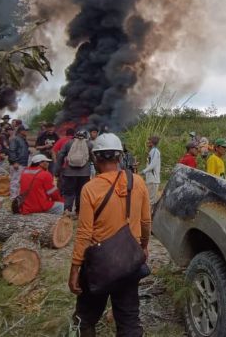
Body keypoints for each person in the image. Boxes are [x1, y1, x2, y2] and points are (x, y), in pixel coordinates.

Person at [70, 133, 151, 337]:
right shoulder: (138, 182)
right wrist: (143, 246)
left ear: (95, 158)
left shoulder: (90, 189)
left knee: (84, 318)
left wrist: (75, 269)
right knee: (129, 321)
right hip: (129, 262)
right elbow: (146, 222)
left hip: (99, 265)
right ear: (120, 157)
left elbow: (84, 233)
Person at [58, 129, 93, 213]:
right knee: (81, 193)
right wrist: (98, 170)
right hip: (84, 174)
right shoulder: (89, 144)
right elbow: (94, 158)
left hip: (69, 173)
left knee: (68, 193)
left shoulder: (68, 143)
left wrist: (58, 170)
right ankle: (79, 212)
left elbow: (60, 155)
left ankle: (67, 212)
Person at [8, 125, 31, 198]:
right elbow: (12, 150)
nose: (27, 132)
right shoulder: (15, 139)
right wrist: (14, 162)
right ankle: (13, 198)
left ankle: (18, 198)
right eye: (26, 130)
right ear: (21, 131)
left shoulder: (23, 139)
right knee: (15, 181)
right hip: (17, 163)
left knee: (20, 181)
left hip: (22, 163)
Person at [142, 136, 161, 204]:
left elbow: (153, 164)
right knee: (150, 201)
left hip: (153, 180)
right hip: (151, 179)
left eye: (149, 141)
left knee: (150, 201)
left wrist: (143, 171)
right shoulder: (153, 151)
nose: (147, 143)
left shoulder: (155, 151)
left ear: (152, 143)